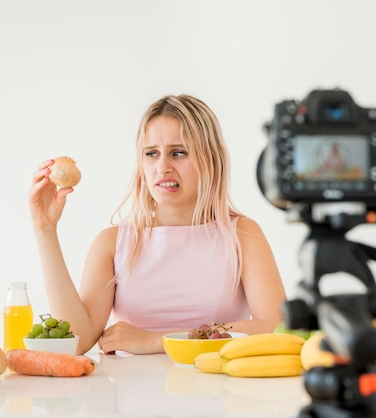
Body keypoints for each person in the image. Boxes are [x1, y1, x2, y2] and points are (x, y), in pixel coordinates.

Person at [28, 94, 287, 355]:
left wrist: (156, 340)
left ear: (210, 160)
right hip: (134, 393)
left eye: (178, 153)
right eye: (151, 154)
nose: (162, 167)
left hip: (218, 391)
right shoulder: (112, 243)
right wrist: (45, 230)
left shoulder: (241, 235)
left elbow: (277, 326)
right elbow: (77, 341)